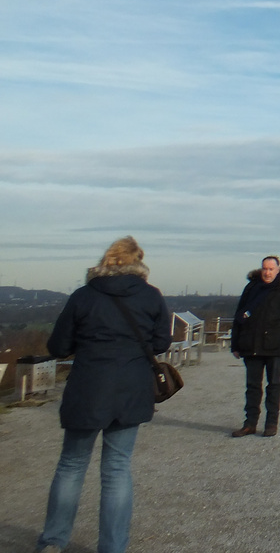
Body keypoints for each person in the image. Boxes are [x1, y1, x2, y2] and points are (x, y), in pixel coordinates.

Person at [37, 236, 170, 553]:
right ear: (139, 262)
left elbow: (58, 347)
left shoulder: (84, 296)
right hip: (131, 390)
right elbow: (162, 343)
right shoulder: (151, 297)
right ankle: (112, 547)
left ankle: (54, 541)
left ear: (107, 260)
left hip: (88, 388)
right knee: (117, 469)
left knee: (71, 465)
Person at [230, 255, 280, 438]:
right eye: (265, 269)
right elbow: (239, 316)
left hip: (275, 346)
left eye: (271, 269)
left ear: (278, 270)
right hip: (250, 345)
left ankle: (271, 424)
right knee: (252, 386)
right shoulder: (251, 287)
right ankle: (250, 424)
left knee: (274, 385)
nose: (267, 272)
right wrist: (235, 344)